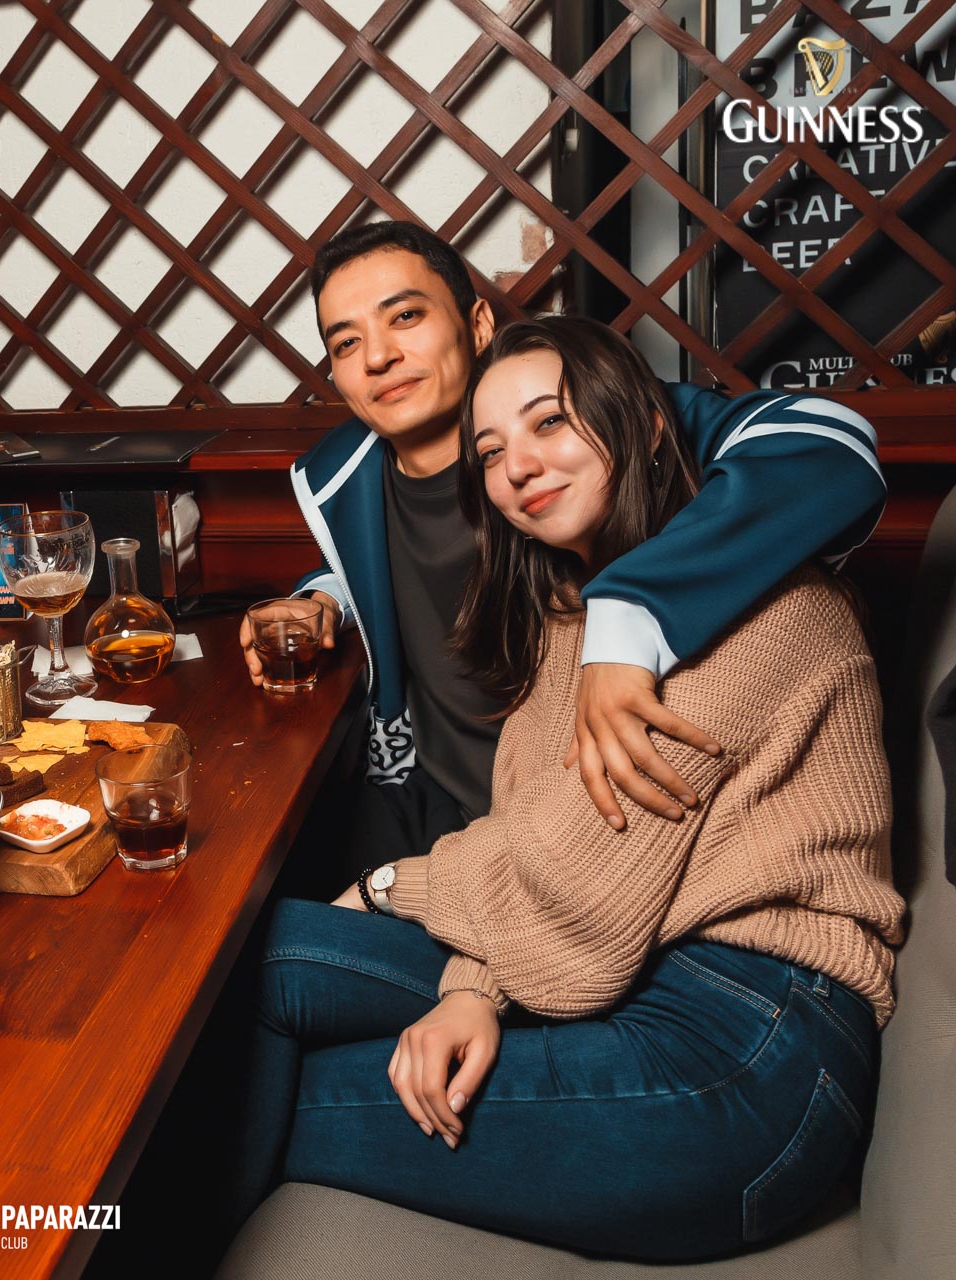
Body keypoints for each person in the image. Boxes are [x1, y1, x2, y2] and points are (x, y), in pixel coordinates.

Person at [226, 317, 905, 1259]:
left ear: (648, 426)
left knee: (249, 1102)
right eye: (491, 451)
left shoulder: (750, 608)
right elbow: (532, 828)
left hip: (752, 1054)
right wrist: (474, 989)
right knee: (267, 957)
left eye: (549, 422)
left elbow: (581, 898)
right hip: (637, 967)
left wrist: (390, 888)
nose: (518, 467)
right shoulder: (570, 614)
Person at [246, 221, 886, 861]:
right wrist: (326, 599)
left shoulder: (585, 425)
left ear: (477, 325)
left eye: (406, 316)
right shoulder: (342, 474)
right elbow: (385, 569)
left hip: (573, 819)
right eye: (347, 342)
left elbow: (830, 445)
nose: (377, 356)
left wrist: (632, 612)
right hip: (428, 799)